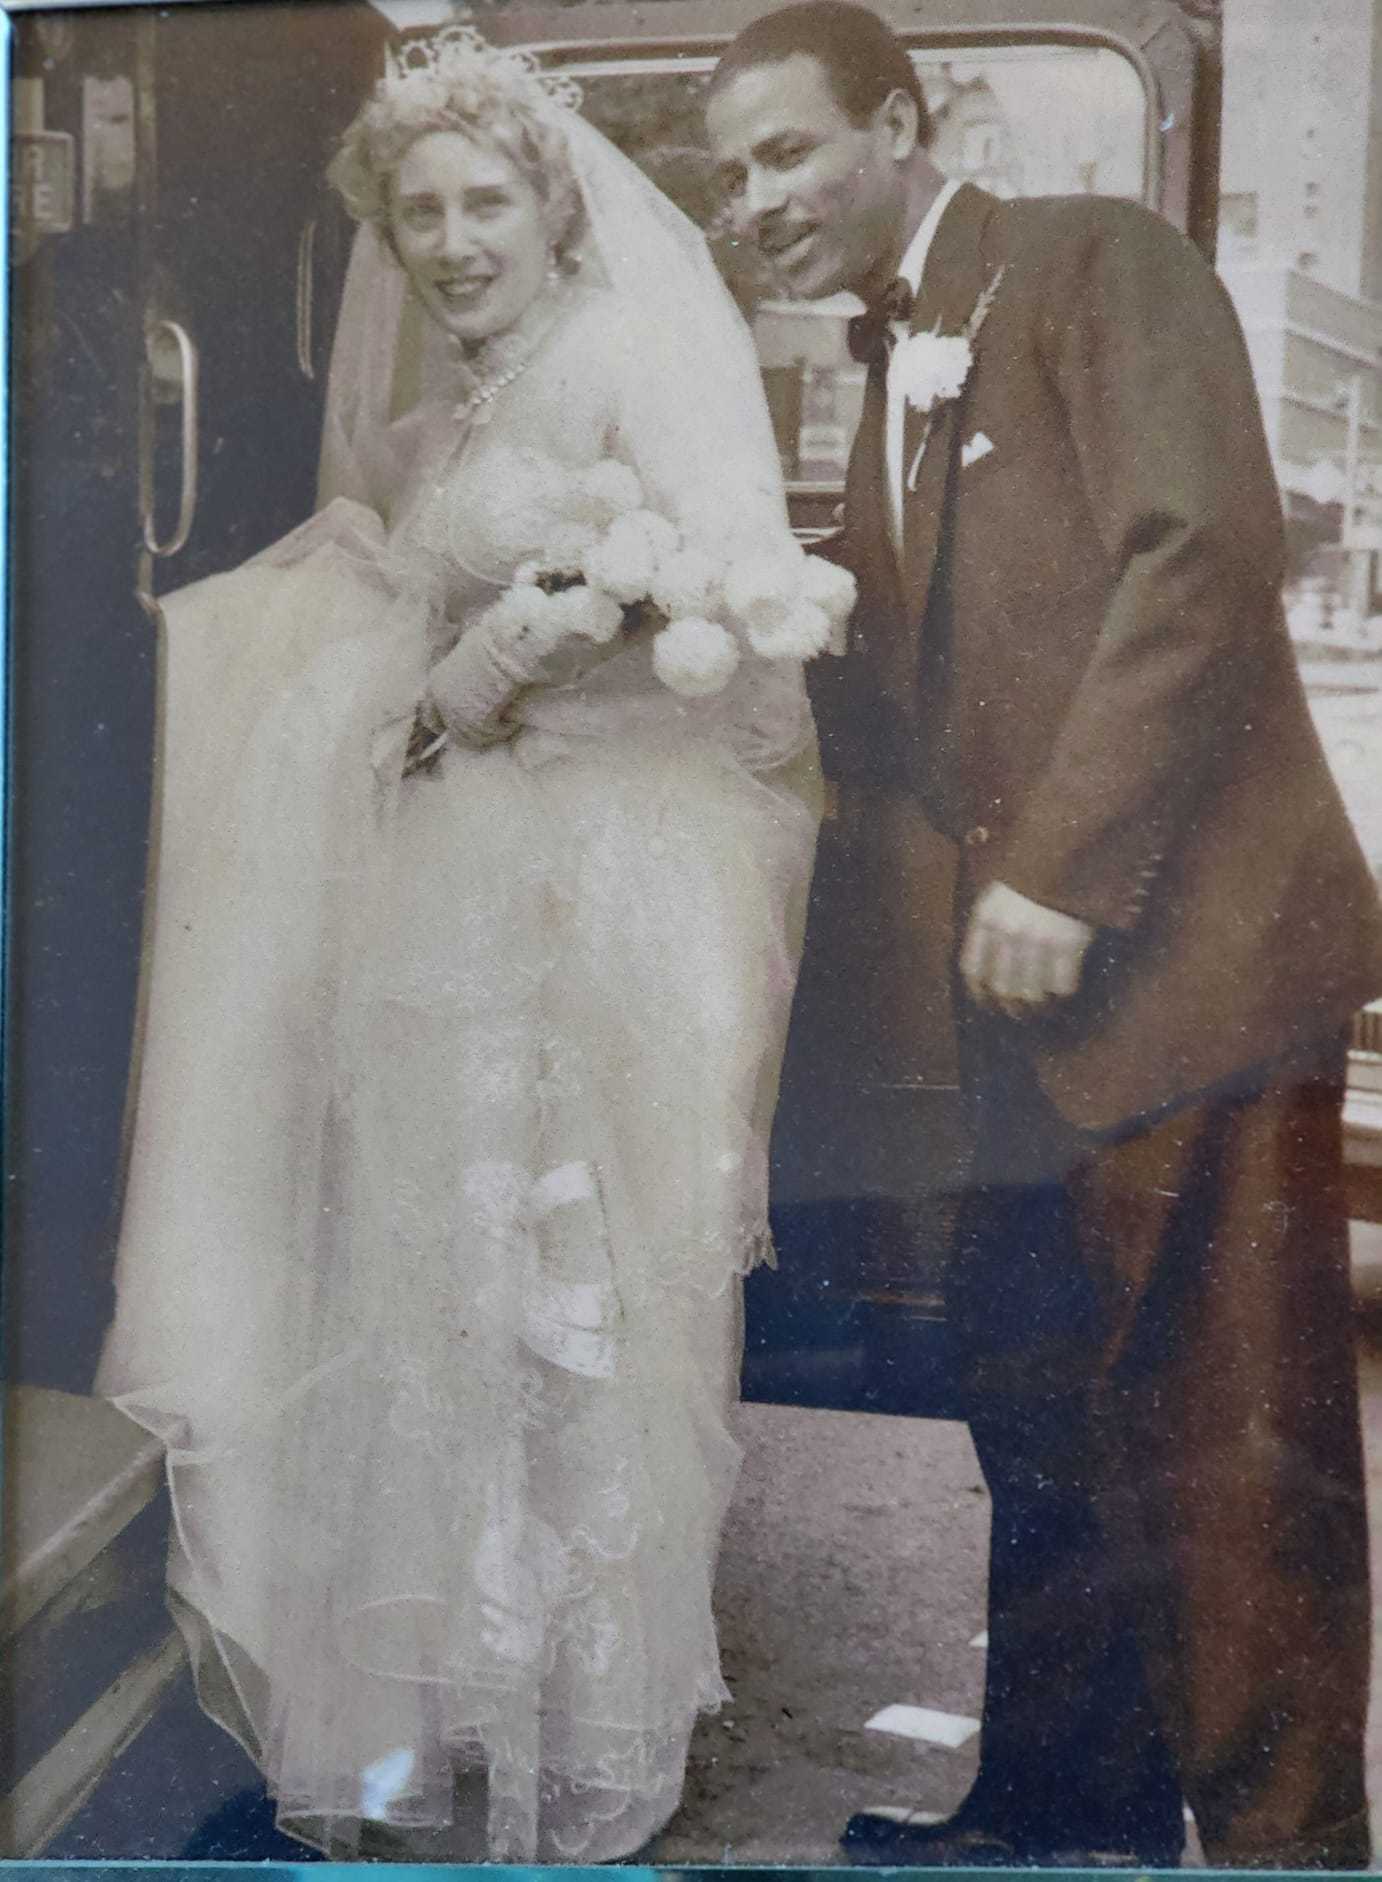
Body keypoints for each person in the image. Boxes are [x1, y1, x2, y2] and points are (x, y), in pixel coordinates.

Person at [98, 27, 850, 1863]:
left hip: (586, 908)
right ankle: (451, 1728)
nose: (449, 239)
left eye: (483, 200)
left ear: (552, 203)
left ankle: (569, 1749)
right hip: (451, 900)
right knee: (447, 1304)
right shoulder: (468, 406)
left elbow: (723, 586)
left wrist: (510, 654)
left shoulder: (619, 356)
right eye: (417, 208)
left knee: (565, 1309)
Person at [707, 4, 1382, 1869]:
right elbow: (923, 701)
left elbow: (1203, 549)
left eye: (786, 154)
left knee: (1237, 1459)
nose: (754, 203)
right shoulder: (895, 365)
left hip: (1195, 968)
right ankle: (1055, 1815)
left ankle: (1288, 1848)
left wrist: (1062, 873)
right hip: (1040, 1007)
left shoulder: (1100, 262)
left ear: (901, 120)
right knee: (1042, 1404)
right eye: (730, 176)